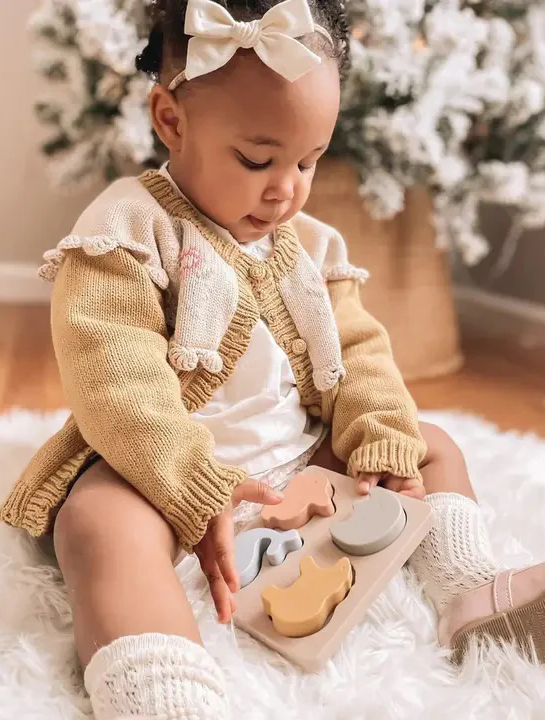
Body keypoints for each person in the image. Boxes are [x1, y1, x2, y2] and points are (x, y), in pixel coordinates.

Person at [3, 0, 545, 717]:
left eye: (307, 161)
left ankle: (471, 593)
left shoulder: (311, 245)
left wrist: (377, 434)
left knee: (428, 443)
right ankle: (165, 686)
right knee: (98, 521)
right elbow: (114, 377)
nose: (285, 186)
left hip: (297, 462)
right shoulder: (129, 227)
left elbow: (359, 352)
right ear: (171, 120)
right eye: (257, 159)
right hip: (172, 476)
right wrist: (196, 487)